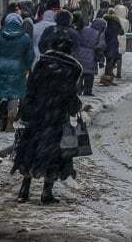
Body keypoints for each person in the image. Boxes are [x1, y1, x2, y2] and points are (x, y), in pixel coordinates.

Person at [11, 33, 82, 204]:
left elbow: (30, 91)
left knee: (30, 151)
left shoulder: (41, 65)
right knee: (53, 155)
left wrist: (26, 112)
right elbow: (70, 97)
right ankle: (46, 193)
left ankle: (24, 190)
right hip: (57, 119)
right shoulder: (71, 69)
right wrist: (76, 107)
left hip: (37, 117)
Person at [0, 13, 34, 132]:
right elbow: (30, 56)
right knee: (14, 96)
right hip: (17, 68)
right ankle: (9, 125)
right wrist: (27, 67)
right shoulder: (25, 37)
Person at [75, 18, 106, 96]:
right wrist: (101, 60)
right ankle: (87, 91)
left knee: (80, 74)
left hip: (79, 54)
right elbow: (100, 47)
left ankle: (78, 90)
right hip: (91, 55)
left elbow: (77, 39)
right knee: (89, 75)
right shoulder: (99, 34)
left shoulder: (84, 29)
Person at [100, 9, 125, 86]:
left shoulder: (105, 22)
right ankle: (108, 79)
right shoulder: (116, 22)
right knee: (111, 61)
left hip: (105, 42)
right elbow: (122, 32)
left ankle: (108, 77)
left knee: (109, 60)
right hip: (113, 43)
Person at [113, 5, 130, 79]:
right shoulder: (126, 21)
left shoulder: (115, 20)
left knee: (112, 56)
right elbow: (126, 30)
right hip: (123, 39)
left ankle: (110, 71)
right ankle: (119, 72)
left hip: (115, 39)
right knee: (120, 57)